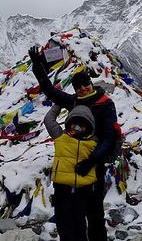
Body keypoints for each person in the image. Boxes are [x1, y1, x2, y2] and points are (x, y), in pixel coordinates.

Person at [29, 46, 117, 241]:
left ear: (91, 83)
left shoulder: (105, 104)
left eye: (85, 84)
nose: (83, 88)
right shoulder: (74, 101)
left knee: (94, 212)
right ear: (75, 89)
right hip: (72, 165)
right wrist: (37, 65)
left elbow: (109, 137)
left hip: (95, 164)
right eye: (78, 87)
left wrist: (91, 161)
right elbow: (50, 91)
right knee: (74, 211)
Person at [44, 104, 97, 241]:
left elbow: (110, 155)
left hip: (83, 190)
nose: (77, 128)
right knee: (63, 224)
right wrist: (59, 103)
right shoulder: (61, 137)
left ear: (89, 126)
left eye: (82, 125)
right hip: (62, 189)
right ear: (69, 123)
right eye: (74, 123)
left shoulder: (93, 143)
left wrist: (118, 138)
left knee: (79, 223)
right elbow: (49, 120)